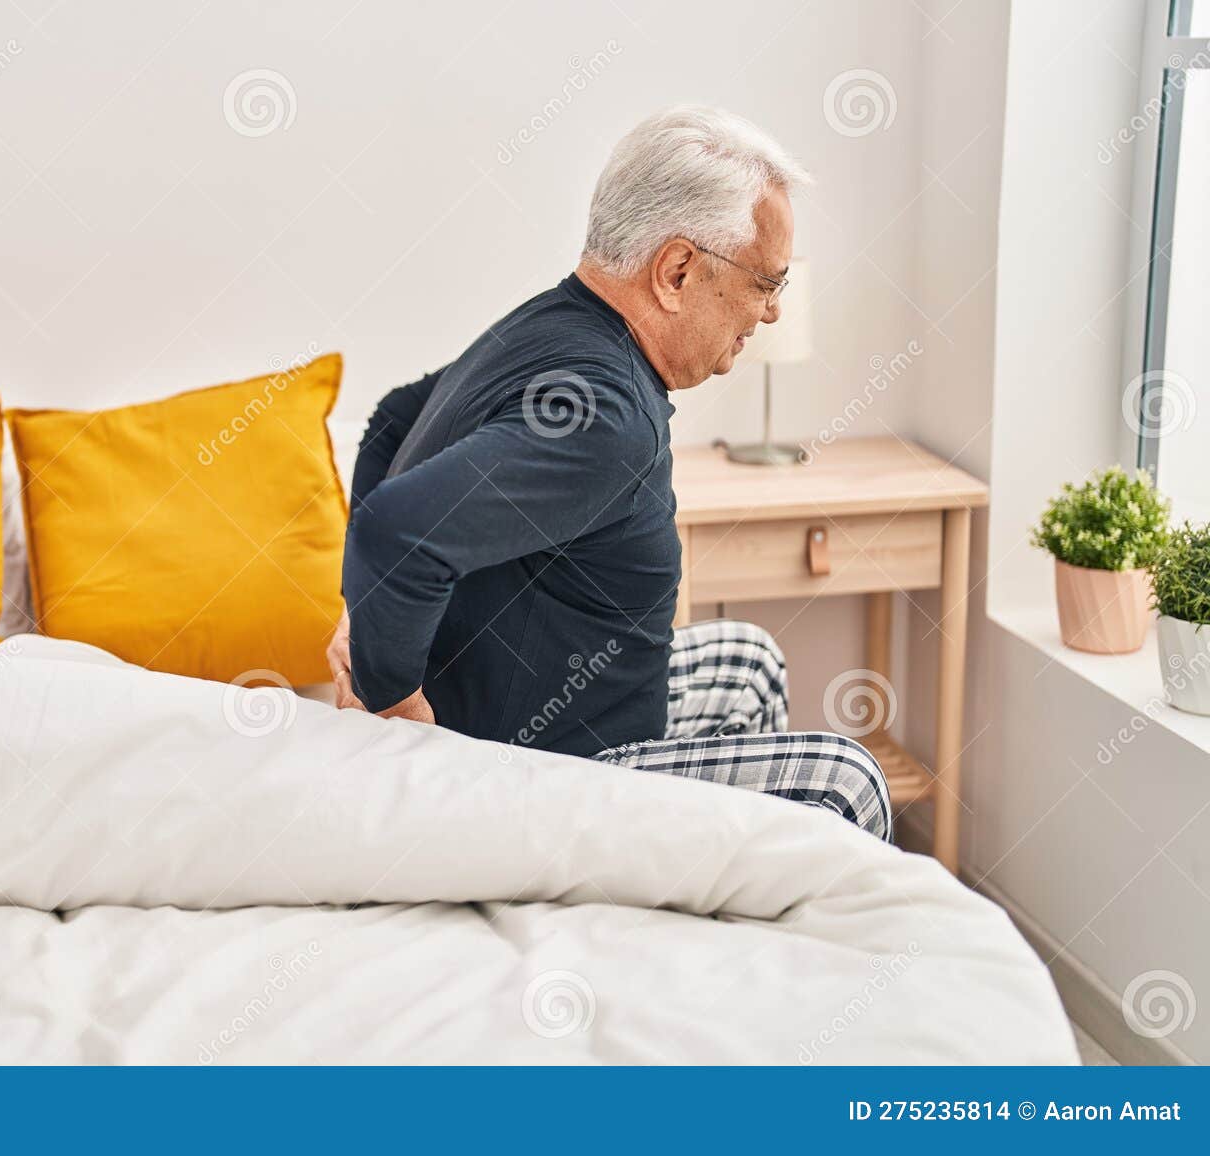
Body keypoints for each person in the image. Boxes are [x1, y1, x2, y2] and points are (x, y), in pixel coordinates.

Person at [328, 106, 890, 841]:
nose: (774, 312)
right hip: (544, 776)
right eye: (766, 282)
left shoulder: (552, 320)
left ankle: (722, 898)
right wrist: (394, 707)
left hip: (554, 709)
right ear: (677, 270)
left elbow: (391, 421)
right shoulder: (608, 421)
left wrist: (363, 615)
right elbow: (397, 534)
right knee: (848, 781)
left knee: (747, 661)